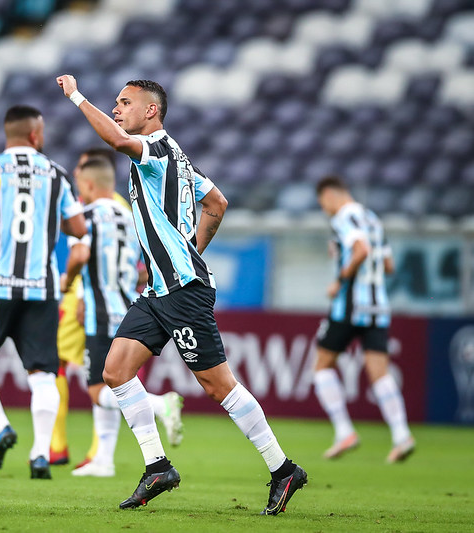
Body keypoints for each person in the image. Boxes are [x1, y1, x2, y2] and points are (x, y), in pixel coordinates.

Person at [56, 75, 307, 514]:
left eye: (125, 102)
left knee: (217, 385)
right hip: (159, 289)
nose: (117, 109)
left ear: (150, 111)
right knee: (115, 371)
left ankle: (283, 469)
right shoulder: (180, 161)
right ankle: (157, 467)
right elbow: (217, 203)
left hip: (184, 291)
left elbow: (116, 141)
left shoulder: (155, 149)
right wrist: (187, 251)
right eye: (115, 103)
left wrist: (77, 96)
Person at [65, 157, 184, 478]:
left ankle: (160, 405)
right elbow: (145, 269)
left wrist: (69, 284)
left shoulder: (84, 218)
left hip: (99, 312)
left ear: (89, 185)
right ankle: (104, 459)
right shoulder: (131, 217)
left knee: (97, 390)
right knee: (113, 381)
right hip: (129, 309)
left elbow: (81, 256)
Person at [0, 105, 86, 480]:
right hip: (42, 288)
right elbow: (78, 227)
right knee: (43, 373)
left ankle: (0, 427)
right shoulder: (56, 173)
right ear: (34, 134)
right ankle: (41, 454)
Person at [314, 175, 414, 463]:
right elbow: (389, 265)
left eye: (323, 203)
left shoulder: (344, 218)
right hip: (377, 306)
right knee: (380, 373)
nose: (325, 209)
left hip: (350, 305)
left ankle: (344, 431)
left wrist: (340, 279)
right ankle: (401, 436)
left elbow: (361, 250)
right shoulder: (372, 219)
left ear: (330, 195)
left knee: (321, 367)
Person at [51, 147, 123, 467]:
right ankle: (89, 453)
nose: (77, 177)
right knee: (102, 374)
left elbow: (84, 256)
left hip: (88, 300)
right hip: (114, 303)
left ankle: (71, 448)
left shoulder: (88, 211)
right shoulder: (124, 210)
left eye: (82, 171)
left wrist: (76, 290)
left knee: (94, 378)